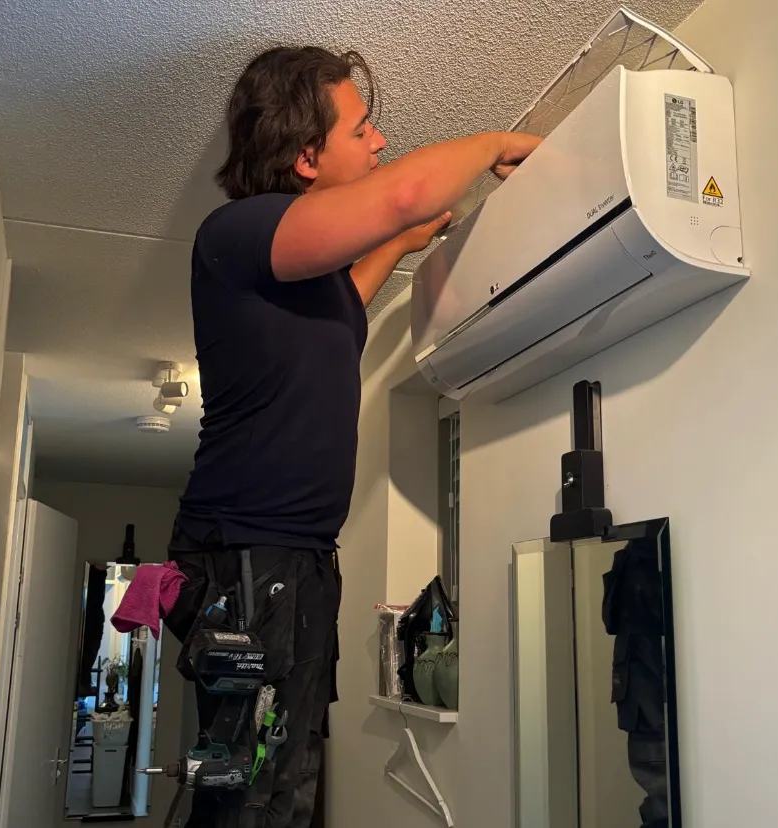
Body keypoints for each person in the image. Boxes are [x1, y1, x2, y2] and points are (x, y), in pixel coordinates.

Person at [165, 45, 542, 828]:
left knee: (286, 774)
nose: (380, 142)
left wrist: (396, 248)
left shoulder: (307, 281)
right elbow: (403, 191)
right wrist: (494, 143)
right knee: (247, 788)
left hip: (291, 557)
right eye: (362, 128)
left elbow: (342, 321)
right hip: (248, 553)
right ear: (306, 157)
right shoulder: (237, 232)